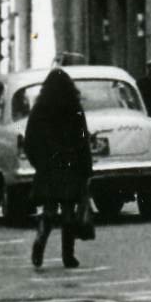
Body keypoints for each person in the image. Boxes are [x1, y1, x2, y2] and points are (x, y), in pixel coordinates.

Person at [22, 65, 95, 271]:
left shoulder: (40, 109)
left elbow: (30, 141)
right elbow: (83, 141)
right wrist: (86, 170)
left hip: (48, 166)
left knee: (49, 209)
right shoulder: (74, 108)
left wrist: (39, 163)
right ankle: (68, 256)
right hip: (71, 166)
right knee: (69, 211)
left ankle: (41, 239)